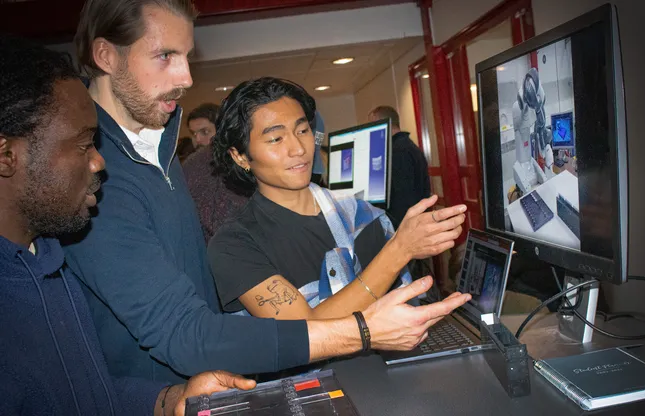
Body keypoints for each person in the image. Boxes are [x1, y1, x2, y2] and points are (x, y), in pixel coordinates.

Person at [62, 0, 471, 384]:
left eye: (303, 131)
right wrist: (366, 325)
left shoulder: (159, 152)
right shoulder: (93, 177)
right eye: (165, 55)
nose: (186, 77)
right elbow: (185, 332)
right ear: (106, 56)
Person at [0, 34, 255, 416]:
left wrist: (168, 399)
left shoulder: (50, 264)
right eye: (85, 145)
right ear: (6, 156)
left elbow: (80, 394)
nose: (99, 163)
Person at [208, 78, 467, 319]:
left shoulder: (360, 214)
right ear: (240, 156)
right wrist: (399, 250)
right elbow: (303, 334)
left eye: (303, 130)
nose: (298, 149)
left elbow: (409, 303)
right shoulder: (236, 243)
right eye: (276, 139)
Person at [183, 103, 251, 244]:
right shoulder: (191, 166)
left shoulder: (242, 160)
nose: (198, 140)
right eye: (194, 134)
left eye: (205, 132)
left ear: (222, 129)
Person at [368, 106, 432, 229]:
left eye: (373, 126)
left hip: (406, 225)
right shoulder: (410, 146)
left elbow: (401, 198)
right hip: (418, 220)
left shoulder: (396, 152)